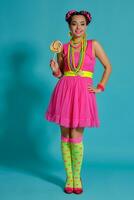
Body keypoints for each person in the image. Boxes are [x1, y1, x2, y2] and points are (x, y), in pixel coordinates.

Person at [45, 10, 112, 194]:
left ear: (86, 26)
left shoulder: (93, 45)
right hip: (65, 92)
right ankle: (69, 177)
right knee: (65, 134)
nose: (78, 27)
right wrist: (55, 69)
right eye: (74, 23)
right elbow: (61, 75)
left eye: (82, 23)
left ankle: (77, 176)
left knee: (76, 136)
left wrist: (100, 87)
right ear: (69, 26)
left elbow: (108, 66)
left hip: (82, 94)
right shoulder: (63, 48)